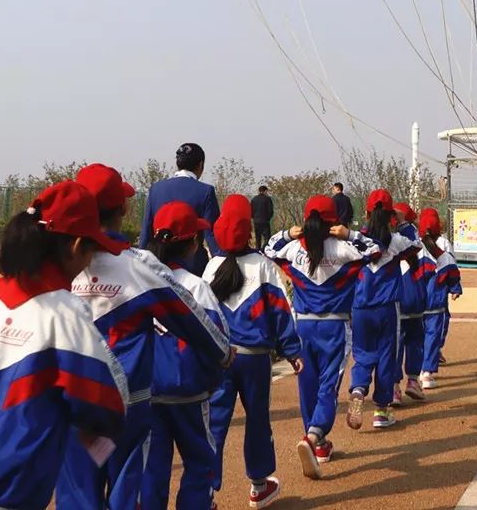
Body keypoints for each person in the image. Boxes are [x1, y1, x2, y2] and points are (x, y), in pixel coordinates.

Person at [57, 164, 230, 510]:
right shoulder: (139, 264)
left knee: (78, 491)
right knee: (126, 491)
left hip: (72, 400)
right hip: (127, 405)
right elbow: (188, 318)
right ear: (122, 209)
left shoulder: (59, 264)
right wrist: (223, 353)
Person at [0, 182, 129, 509]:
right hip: (9, 495)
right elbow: (107, 404)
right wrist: (96, 437)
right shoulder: (64, 312)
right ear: (75, 246)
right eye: (91, 251)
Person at [266, 195, 380, 479]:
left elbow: (268, 249)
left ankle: (317, 442)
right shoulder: (343, 249)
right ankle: (314, 436)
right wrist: (350, 233)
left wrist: (287, 233)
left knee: (307, 386)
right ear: (334, 222)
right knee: (327, 388)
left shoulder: (294, 249)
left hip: (302, 327)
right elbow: (375, 250)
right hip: (335, 328)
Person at [205, 195, 303, 509]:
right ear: (248, 229)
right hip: (254, 358)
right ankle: (259, 487)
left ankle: (205, 489)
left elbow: (202, 315)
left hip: (219, 358)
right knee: (258, 419)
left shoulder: (211, 266)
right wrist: (292, 350)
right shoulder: (263, 266)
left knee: (214, 424)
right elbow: (280, 313)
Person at [142, 202, 232, 510]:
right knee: (199, 462)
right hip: (189, 392)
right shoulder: (196, 286)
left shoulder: (139, 281)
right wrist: (210, 382)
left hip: (148, 392)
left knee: (152, 469)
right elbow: (219, 340)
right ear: (193, 244)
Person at [346, 188, 421, 431]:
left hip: (360, 306)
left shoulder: (356, 240)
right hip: (387, 308)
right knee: (387, 356)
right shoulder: (396, 240)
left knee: (363, 353)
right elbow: (416, 244)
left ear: (367, 212)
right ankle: (381, 410)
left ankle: (358, 388)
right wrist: (402, 221)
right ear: (390, 214)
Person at [140, 143, 221, 275]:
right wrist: (220, 264)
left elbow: (146, 231)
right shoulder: (205, 191)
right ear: (200, 165)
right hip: (193, 266)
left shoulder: (156, 189)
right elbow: (211, 235)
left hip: (158, 265)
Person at [419, 207, 462, 389]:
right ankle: (427, 371)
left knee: (419, 335)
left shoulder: (413, 244)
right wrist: (455, 287)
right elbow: (451, 267)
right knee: (434, 333)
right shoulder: (444, 243)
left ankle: (419, 368)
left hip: (416, 300)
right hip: (436, 299)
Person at [392, 201, 429, 406]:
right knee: (415, 341)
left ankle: (394, 388)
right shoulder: (417, 240)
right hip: (414, 298)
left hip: (394, 301)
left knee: (394, 345)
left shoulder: (384, 239)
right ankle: (413, 381)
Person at [251, 185, 274, 250]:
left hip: (256, 221)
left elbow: (251, 211)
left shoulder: (254, 199)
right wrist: (268, 218)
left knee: (258, 238)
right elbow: (270, 211)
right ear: (265, 191)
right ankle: (263, 249)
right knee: (267, 238)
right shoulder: (267, 199)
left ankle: (258, 250)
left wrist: (254, 218)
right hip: (265, 221)